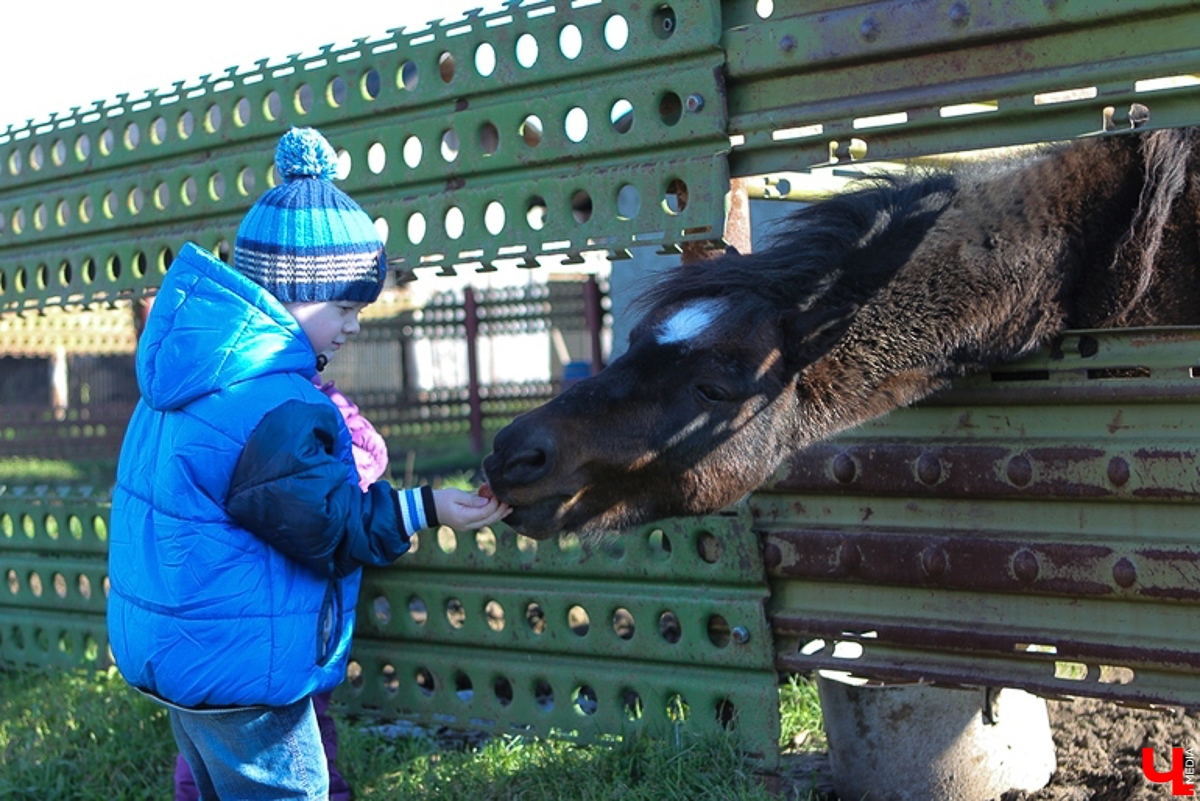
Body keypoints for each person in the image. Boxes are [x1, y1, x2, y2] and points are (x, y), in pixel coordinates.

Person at [107, 126, 509, 800]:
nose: (354, 325)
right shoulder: (274, 399)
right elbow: (329, 526)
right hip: (246, 674)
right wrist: (426, 506)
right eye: (346, 306)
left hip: (181, 653)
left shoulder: (191, 377)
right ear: (297, 293)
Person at [173, 377, 384, 801]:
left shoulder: (191, 401)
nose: (351, 325)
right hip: (285, 625)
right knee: (297, 747)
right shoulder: (306, 401)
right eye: (343, 310)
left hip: (206, 629)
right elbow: (363, 465)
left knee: (208, 749)